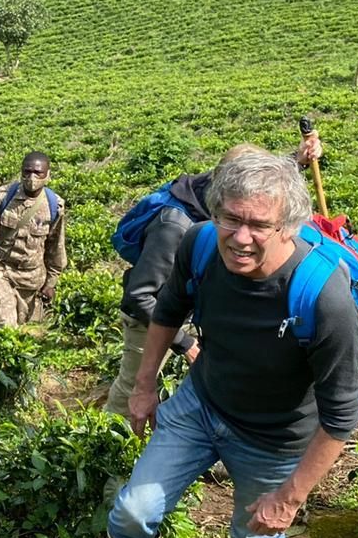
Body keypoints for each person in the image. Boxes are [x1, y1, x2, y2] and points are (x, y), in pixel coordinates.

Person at [38, 149, 358, 538]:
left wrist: (291, 495)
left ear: (288, 227)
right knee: (135, 508)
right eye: (231, 218)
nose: (240, 237)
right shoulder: (201, 243)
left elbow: (341, 416)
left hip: (275, 434)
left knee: (257, 533)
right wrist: (144, 386)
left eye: (259, 225)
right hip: (201, 404)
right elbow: (168, 309)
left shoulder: (322, 296)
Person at [105, 134, 324, 423]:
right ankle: (110, 439)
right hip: (150, 318)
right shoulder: (174, 226)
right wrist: (184, 343)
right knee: (134, 386)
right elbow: (140, 296)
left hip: (195, 305)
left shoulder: (225, 192)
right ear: (223, 186)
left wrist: (298, 160)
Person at [0, 151, 67, 329]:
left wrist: (51, 283)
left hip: (33, 277)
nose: (32, 177)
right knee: (5, 326)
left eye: (38, 173)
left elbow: (56, 247)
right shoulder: (3, 197)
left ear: (47, 174)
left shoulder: (54, 206)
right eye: (27, 172)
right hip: (2, 269)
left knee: (27, 327)